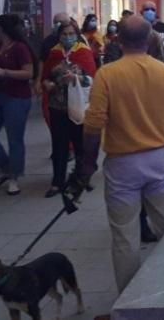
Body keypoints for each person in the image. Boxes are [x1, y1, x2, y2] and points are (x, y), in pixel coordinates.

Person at [65, 15, 164, 308]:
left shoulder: (108, 74)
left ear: (118, 40)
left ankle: (131, 305)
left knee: (124, 237)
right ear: (149, 40)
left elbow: (93, 125)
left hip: (121, 165)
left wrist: (86, 165)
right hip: (158, 160)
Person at [0, 14, 36, 196]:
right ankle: (3, 166)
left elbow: (28, 73)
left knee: (14, 138)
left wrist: (4, 72)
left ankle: (14, 175)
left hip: (16, 98)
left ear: (4, 29)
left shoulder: (20, 48)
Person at [41, 22, 97, 198]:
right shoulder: (54, 53)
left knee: (80, 144)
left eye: (71, 33)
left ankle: (81, 179)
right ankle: (57, 182)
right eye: (64, 34)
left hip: (78, 106)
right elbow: (46, 77)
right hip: (57, 106)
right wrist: (47, 84)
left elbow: (92, 78)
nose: (67, 37)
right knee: (59, 145)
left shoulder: (83, 52)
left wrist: (77, 78)